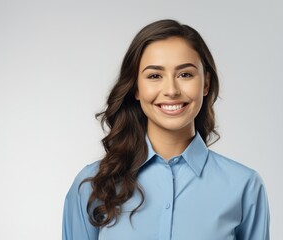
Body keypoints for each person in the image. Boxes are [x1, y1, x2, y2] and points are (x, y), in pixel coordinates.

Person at [62, 19, 270, 240]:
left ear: (206, 83)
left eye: (185, 74)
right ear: (136, 88)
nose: (171, 90)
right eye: (154, 76)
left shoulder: (244, 186)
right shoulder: (93, 184)